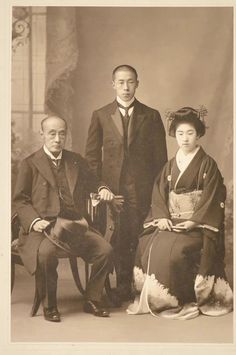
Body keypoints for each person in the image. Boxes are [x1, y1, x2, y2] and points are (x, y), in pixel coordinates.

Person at [127, 106, 233, 320]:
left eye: (190, 133)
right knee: (145, 244)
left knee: (173, 251)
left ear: (199, 134)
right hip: (170, 222)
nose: (185, 138)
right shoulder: (170, 165)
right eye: (180, 133)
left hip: (196, 226)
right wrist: (162, 217)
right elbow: (158, 194)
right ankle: (152, 299)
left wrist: (194, 221)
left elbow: (213, 197)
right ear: (174, 135)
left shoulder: (207, 164)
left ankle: (176, 300)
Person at [13, 115, 115, 322]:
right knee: (46, 254)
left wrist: (103, 188)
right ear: (42, 134)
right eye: (52, 133)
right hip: (44, 229)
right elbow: (19, 201)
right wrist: (34, 221)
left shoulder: (76, 160)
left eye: (62, 133)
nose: (57, 138)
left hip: (74, 226)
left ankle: (92, 299)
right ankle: (50, 305)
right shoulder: (30, 163)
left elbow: (94, 182)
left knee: (105, 250)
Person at [85, 65, 168, 303]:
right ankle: (121, 286)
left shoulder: (151, 115)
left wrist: (156, 192)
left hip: (142, 190)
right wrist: (101, 187)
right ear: (113, 84)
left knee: (139, 236)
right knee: (118, 237)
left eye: (130, 82)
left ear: (137, 84)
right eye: (120, 82)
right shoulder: (100, 115)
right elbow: (91, 159)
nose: (125, 87)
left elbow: (160, 159)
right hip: (112, 191)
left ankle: (141, 283)